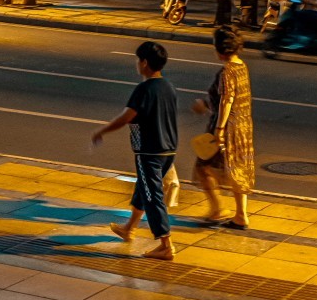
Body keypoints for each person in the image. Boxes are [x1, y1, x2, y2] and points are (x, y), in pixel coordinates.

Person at [91, 40, 178, 260]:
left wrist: (102, 131)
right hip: (168, 149)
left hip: (149, 151)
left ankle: (166, 244)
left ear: (145, 63)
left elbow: (126, 117)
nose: (137, 64)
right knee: (144, 187)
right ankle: (129, 228)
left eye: (138, 60)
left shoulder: (144, 89)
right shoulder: (168, 86)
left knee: (152, 196)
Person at [193, 27, 255, 229]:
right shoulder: (241, 66)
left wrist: (219, 130)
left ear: (219, 50)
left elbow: (226, 101)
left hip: (225, 127)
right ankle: (241, 215)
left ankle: (217, 209)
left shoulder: (227, 72)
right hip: (242, 125)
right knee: (238, 168)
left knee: (203, 167)